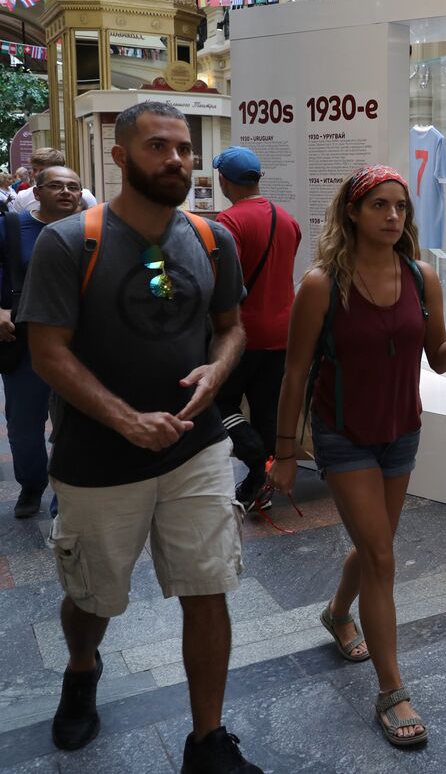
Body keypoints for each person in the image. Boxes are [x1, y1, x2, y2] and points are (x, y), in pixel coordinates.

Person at [18, 101, 260, 771]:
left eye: (184, 148)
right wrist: (126, 419)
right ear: (121, 157)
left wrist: (219, 367)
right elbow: (46, 350)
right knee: (93, 596)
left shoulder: (214, 239)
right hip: (97, 457)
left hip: (197, 445)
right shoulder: (72, 242)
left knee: (207, 584)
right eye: (158, 147)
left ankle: (207, 738)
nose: (176, 160)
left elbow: (232, 324)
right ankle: (82, 663)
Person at [270, 164, 446, 748]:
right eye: (380, 206)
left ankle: (339, 613)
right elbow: (293, 374)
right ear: (353, 213)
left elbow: (438, 361)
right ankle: (392, 691)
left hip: (401, 431)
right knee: (382, 555)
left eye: (400, 207)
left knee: (377, 550)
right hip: (343, 434)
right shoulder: (323, 283)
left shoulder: (422, 278)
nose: (393, 216)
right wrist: (285, 453)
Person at [212, 146, 302, 508]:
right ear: (259, 178)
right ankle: (258, 485)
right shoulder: (288, 219)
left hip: (242, 333)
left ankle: (255, 465)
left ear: (223, 180)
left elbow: (226, 284)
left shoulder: (228, 223)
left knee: (218, 403)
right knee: (266, 410)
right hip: (283, 332)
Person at [1, 166, 84, 517]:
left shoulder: (94, 229)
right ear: (36, 192)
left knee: (75, 418)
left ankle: (65, 491)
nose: (65, 192)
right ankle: (32, 483)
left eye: (73, 187)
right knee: (23, 422)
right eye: (56, 186)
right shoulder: (11, 228)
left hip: (79, 342)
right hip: (24, 340)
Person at [14, 148, 98, 212]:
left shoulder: (84, 196)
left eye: (42, 170)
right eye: (34, 170)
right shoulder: (23, 197)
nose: (36, 174)